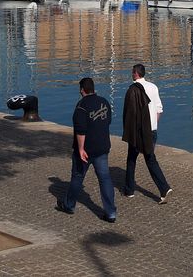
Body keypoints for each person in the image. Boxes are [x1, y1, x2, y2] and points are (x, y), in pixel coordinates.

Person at [58, 77, 117, 222]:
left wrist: (80, 149)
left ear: (82, 90)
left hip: (86, 149)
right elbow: (108, 121)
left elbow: (80, 130)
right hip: (102, 147)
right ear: (93, 88)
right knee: (105, 179)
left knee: (78, 176)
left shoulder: (81, 106)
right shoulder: (104, 102)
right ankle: (111, 213)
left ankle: (69, 205)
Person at [122, 63, 172, 203]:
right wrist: (152, 125)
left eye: (132, 72)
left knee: (131, 159)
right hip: (152, 131)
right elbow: (159, 109)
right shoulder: (153, 87)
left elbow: (129, 113)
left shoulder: (132, 90)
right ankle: (164, 188)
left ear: (135, 74)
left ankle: (130, 190)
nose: (132, 74)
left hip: (138, 132)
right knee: (150, 159)